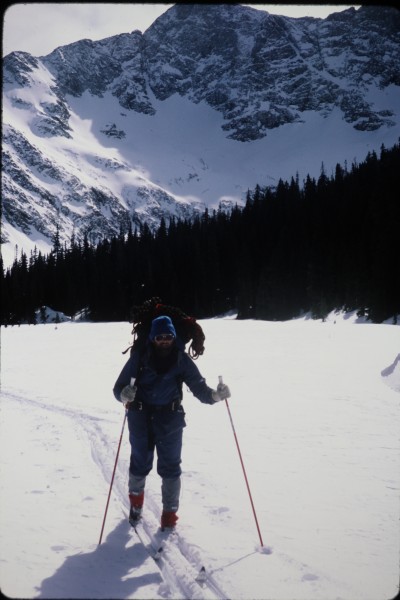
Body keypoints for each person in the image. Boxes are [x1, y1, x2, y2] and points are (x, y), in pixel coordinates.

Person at [113, 315, 231, 530]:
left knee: (170, 467)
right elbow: (117, 388)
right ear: (152, 338)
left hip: (170, 419)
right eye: (159, 337)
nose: (164, 340)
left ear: (174, 337)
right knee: (140, 463)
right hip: (141, 417)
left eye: (168, 336)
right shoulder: (140, 357)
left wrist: (217, 395)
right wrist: (124, 394)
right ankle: (136, 505)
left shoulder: (181, 360)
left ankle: (169, 515)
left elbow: (201, 390)